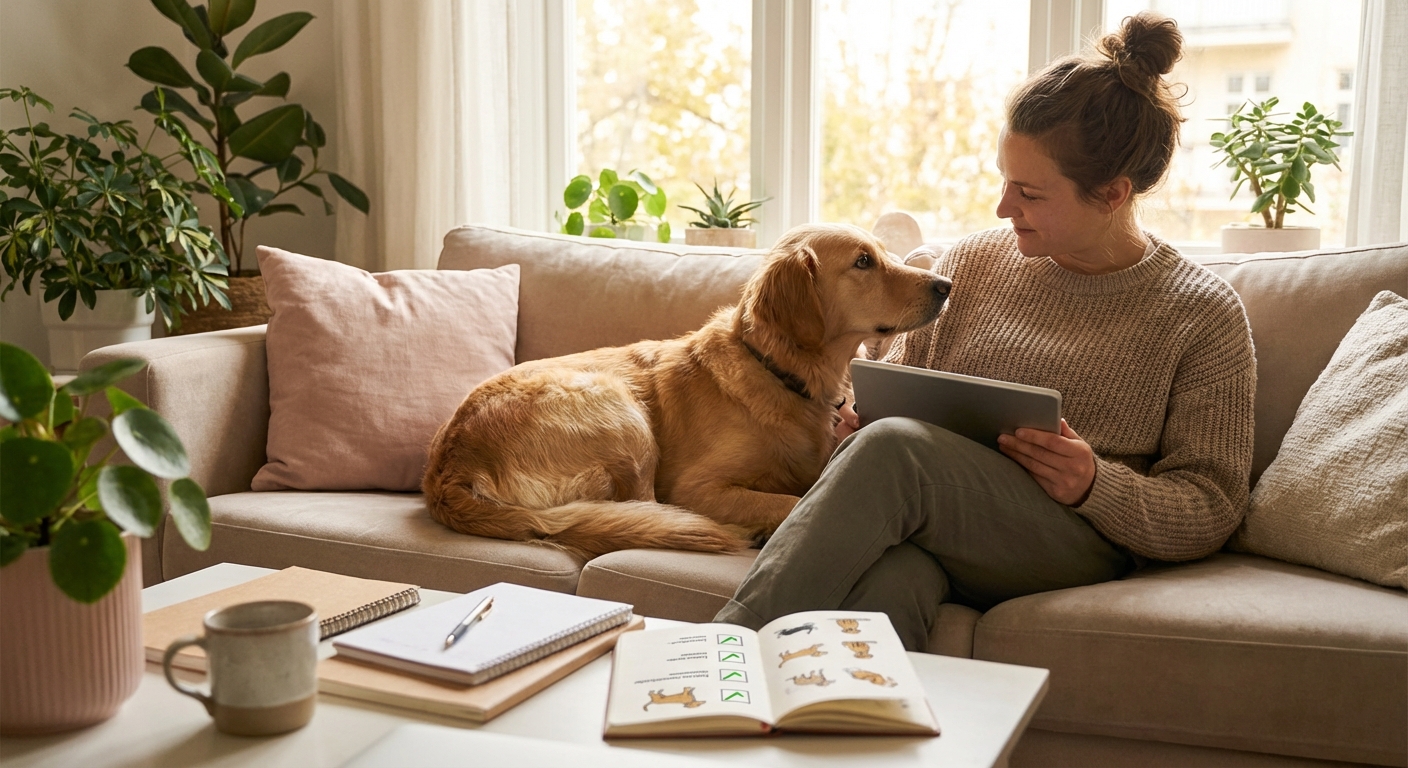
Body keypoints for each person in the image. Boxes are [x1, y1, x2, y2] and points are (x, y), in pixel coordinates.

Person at [714, 11, 1257, 651]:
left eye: (1029, 192)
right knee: (889, 580)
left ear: (1112, 193)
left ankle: (714, 657)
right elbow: (893, 404)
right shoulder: (971, 262)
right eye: (1004, 181)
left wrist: (1093, 484)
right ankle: (840, 734)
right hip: (941, 527)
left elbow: (1211, 506)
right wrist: (851, 428)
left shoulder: (1202, 314)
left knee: (894, 452)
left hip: (1077, 543)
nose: (1004, 208)